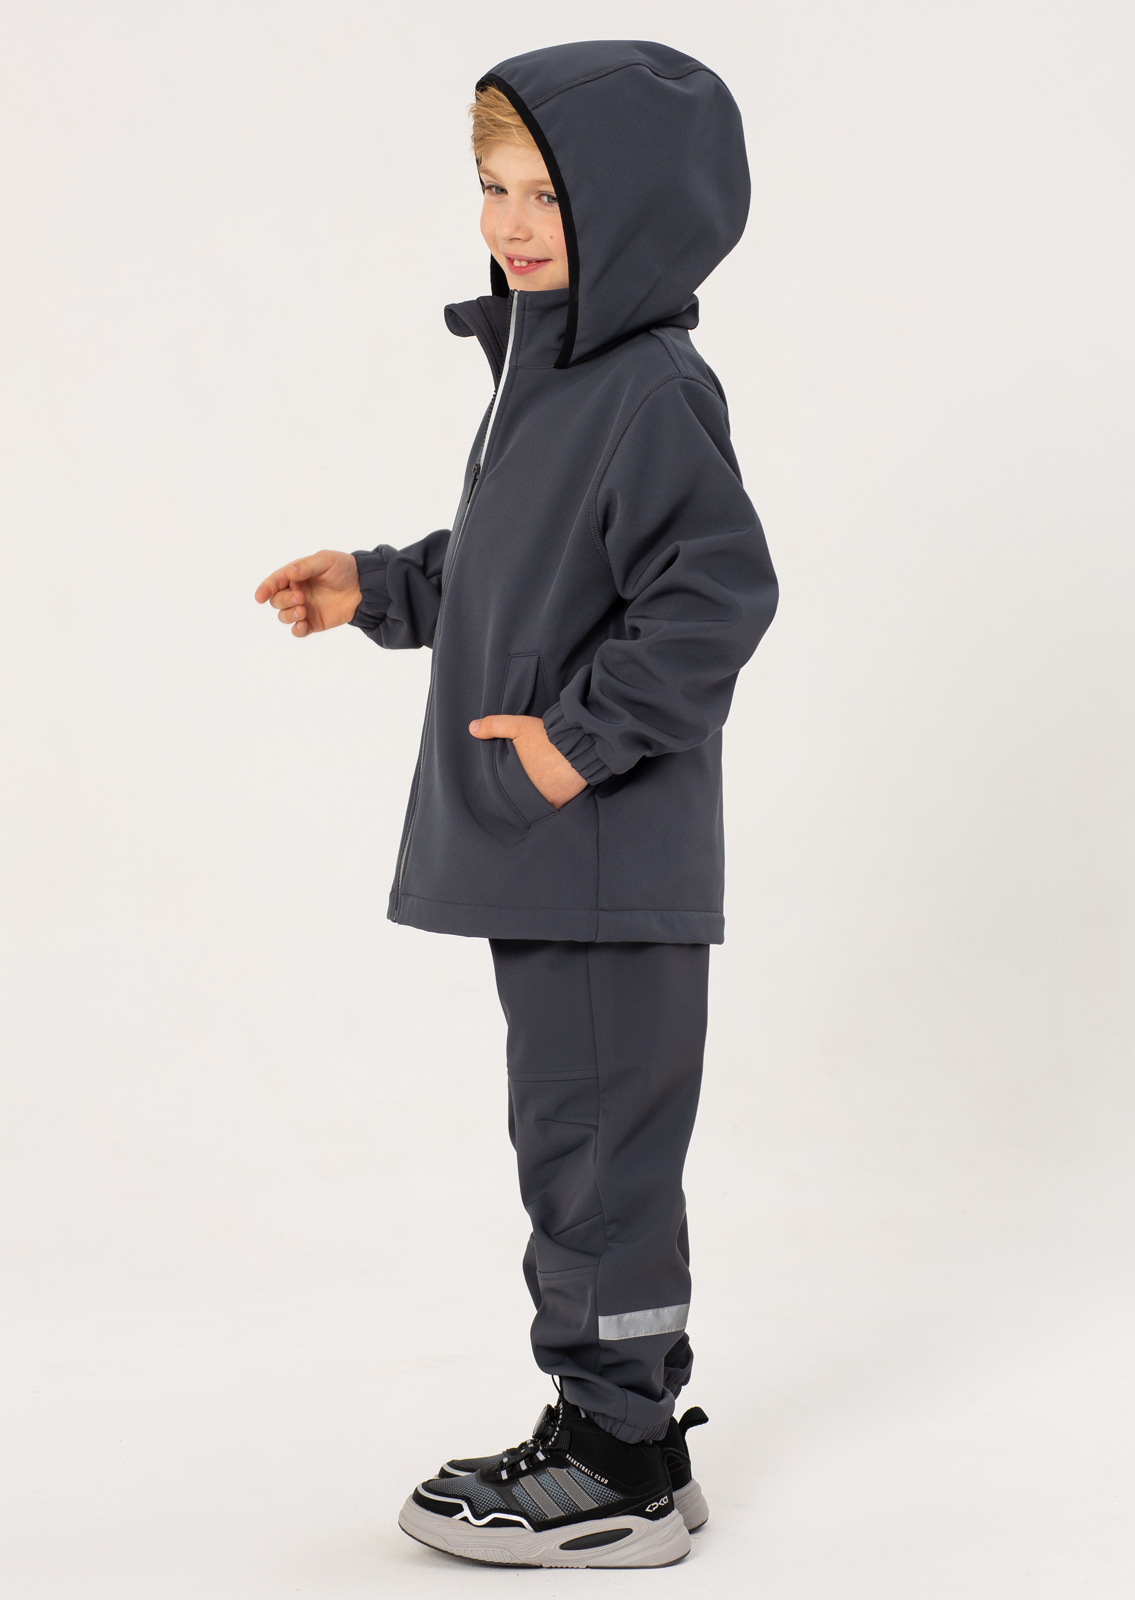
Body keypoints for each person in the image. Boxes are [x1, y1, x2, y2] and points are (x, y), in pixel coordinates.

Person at [254, 39, 777, 1570]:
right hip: (557, 848)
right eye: (492, 186)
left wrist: (575, 744)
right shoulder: (545, 375)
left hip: (605, 846)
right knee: (574, 1136)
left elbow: (716, 594)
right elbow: (522, 574)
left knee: (598, 1147)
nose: (511, 222)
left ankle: (616, 1461)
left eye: (551, 193)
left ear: (643, 204)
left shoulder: (647, 387)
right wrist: (379, 587)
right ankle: (625, 1433)